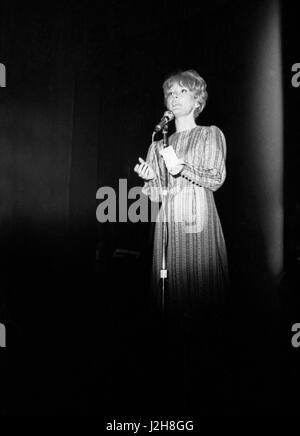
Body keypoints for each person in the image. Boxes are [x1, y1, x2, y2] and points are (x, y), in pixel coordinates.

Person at [134, 69, 229, 333]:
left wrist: (181, 167)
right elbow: (155, 194)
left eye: (182, 91)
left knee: (202, 292)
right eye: (170, 93)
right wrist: (151, 178)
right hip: (169, 224)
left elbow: (216, 178)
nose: (174, 97)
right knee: (169, 296)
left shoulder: (210, 134)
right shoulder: (158, 145)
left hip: (199, 219)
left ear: (197, 101)